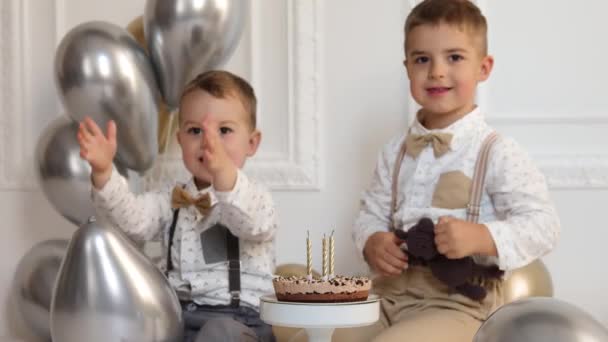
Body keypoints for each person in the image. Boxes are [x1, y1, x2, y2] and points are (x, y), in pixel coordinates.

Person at [349, 0, 560, 341]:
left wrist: (482, 236)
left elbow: (544, 226)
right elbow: (368, 213)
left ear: (484, 67)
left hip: (459, 304)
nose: (436, 71)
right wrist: (372, 240)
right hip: (387, 296)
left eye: (455, 57)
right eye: (422, 59)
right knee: (317, 336)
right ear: (407, 69)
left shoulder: (496, 152)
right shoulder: (395, 152)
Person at [77, 70, 277, 342]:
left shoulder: (255, 198)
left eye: (224, 131)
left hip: (240, 323)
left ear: (251, 143)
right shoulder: (170, 199)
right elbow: (133, 221)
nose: (209, 142)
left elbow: (253, 223)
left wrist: (223, 173)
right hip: (178, 318)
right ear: (180, 140)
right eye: (196, 130)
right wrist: (103, 172)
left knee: (219, 334)